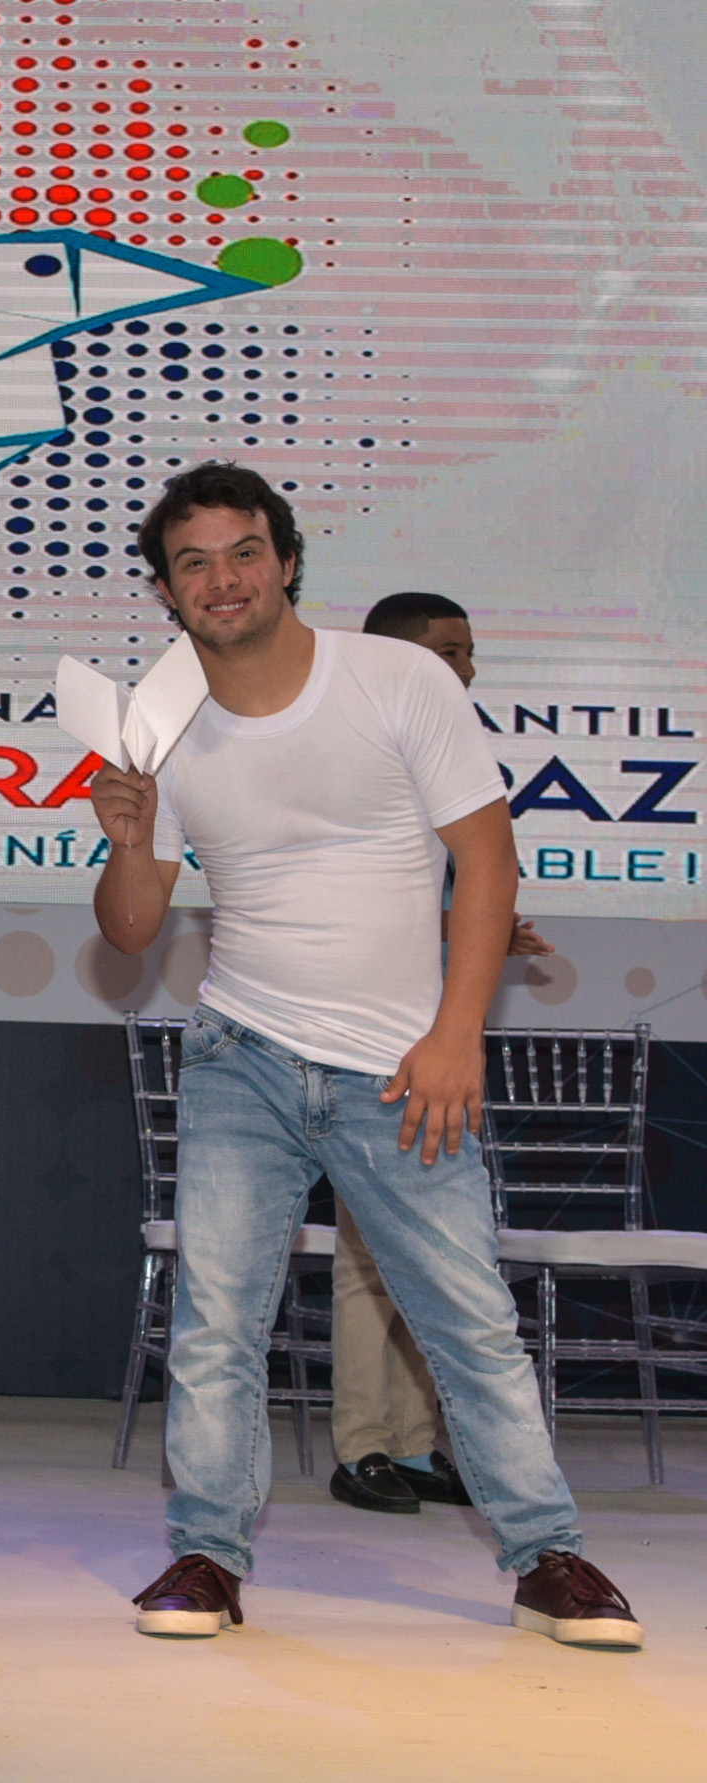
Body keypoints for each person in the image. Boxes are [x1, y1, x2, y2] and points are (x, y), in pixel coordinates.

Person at [95, 464, 641, 1649]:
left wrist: (455, 1034)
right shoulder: (162, 721)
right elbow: (131, 927)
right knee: (216, 1319)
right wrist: (129, 839)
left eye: (241, 551)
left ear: (285, 561)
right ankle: (204, 1554)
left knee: (465, 1320)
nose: (220, 578)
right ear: (165, 591)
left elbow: (485, 863)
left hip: (396, 1064)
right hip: (239, 1052)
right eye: (191, 563)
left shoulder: (392, 678)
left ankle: (546, 1552)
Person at [323, 590, 554, 1518]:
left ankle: (418, 1444)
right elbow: (353, 896)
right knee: (365, 1254)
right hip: (351, 1031)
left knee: (434, 1250)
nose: (467, 669)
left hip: (438, 1031)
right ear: (402, 659)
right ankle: (363, 1446)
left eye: (470, 650)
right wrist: (471, 922)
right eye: (451, 651)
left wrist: (483, 929)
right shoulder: (352, 752)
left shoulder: (442, 752)